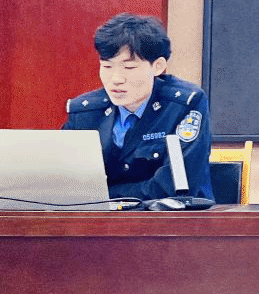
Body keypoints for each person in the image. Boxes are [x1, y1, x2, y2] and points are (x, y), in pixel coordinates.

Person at [62, 13, 213, 201]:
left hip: (171, 217)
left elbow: (176, 187)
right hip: (97, 217)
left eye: (129, 68)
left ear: (158, 66)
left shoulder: (184, 104)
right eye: (107, 67)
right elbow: (64, 182)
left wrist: (103, 196)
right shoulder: (85, 111)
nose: (116, 79)